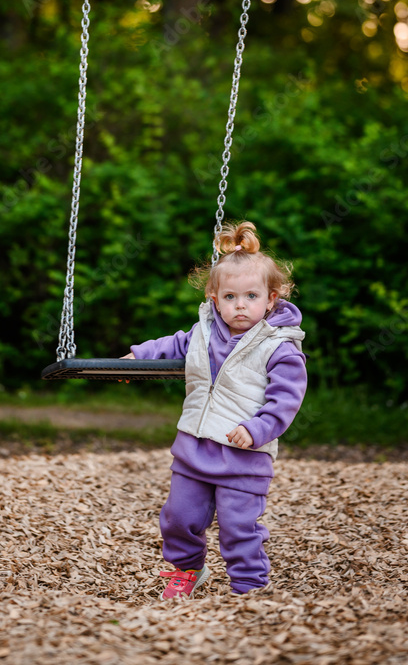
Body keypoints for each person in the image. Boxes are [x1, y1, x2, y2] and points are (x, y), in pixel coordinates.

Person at [122, 220, 307, 599]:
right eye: (230, 297)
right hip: (194, 448)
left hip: (244, 454)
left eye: (251, 296)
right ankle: (189, 569)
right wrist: (137, 357)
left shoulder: (279, 347)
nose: (240, 305)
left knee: (239, 527)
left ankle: (249, 587)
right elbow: (172, 344)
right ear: (214, 298)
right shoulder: (204, 333)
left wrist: (256, 429)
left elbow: (286, 400)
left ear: (271, 299)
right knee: (179, 518)